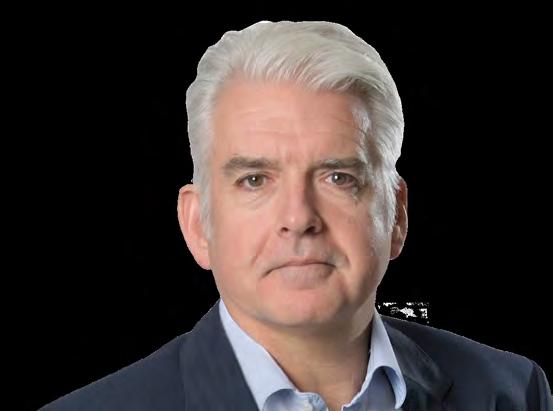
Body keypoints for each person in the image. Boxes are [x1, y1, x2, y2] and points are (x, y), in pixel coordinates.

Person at [40, 20, 552, 411]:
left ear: (396, 215)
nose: (299, 218)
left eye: (338, 177)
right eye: (255, 180)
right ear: (197, 225)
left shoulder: (510, 393)